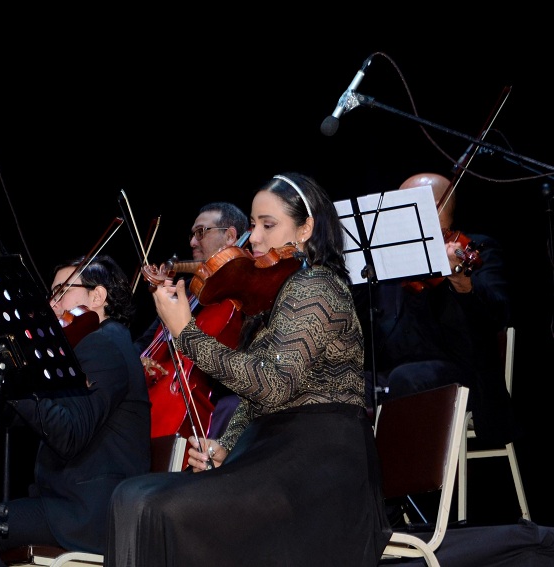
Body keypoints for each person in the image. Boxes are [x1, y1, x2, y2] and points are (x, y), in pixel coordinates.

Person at [106, 173, 391, 566]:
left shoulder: (318, 288)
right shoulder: (276, 295)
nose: (253, 238)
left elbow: (271, 385)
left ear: (306, 228)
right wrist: (228, 443)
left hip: (319, 469)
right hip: (275, 453)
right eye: (254, 225)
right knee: (130, 494)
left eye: (267, 225)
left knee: (158, 506)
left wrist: (185, 332)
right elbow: (258, 401)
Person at [0, 254, 151, 567]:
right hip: (59, 504)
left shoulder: (104, 344)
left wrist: (14, 380)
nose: (51, 305)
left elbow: (69, 435)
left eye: (62, 291)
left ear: (98, 295)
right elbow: (22, 422)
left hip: (84, 513)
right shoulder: (82, 350)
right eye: (51, 294)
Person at [355, 172, 519, 446]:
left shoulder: (476, 248)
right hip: (394, 371)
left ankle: (409, 485)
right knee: (340, 381)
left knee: (405, 379)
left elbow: (499, 312)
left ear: (440, 209)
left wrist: (462, 282)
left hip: (461, 373)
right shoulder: (387, 258)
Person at [133, 201, 250, 439]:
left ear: (230, 236)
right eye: (192, 234)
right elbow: (146, 342)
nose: (192, 242)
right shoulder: (187, 292)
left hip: (211, 414)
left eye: (200, 233)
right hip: (156, 394)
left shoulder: (243, 296)